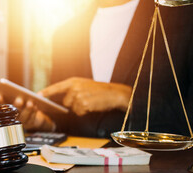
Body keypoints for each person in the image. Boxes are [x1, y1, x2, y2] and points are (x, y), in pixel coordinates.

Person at [15, 0, 193, 138]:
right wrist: (45, 124)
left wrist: (126, 98)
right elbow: (67, 122)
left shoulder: (183, 18)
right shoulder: (64, 35)